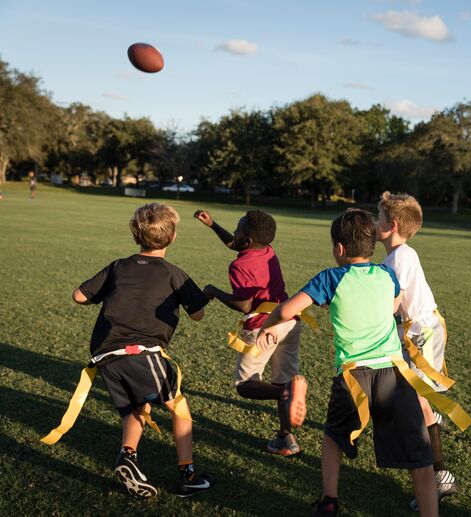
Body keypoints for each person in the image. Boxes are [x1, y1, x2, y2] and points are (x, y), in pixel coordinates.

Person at [257, 209, 438, 517]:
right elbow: (394, 303)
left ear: (339, 249)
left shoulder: (330, 278)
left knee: (333, 437)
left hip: (355, 377)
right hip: (396, 373)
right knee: (420, 460)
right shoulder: (387, 274)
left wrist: (269, 325)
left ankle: (329, 501)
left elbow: (288, 310)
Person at [71, 203, 213, 499]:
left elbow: (79, 295)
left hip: (105, 355)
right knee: (179, 406)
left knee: (137, 408)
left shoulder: (118, 266)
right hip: (141, 352)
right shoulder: (174, 273)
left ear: (135, 236)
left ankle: (128, 457)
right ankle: (188, 475)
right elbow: (198, 314)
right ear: (173, 237)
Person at [194, 209, 307, 456]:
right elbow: (237, 244)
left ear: (247, 240)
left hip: (262, 329)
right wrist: (212, 225)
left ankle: (285, 392)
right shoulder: (267, 251)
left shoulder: (239, 265)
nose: (234, 233)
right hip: (288, 321)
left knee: (246, 385)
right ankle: (286, 438)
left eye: (238, 229)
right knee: (283, 379)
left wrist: (213, 290)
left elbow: (244, 305)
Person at [376, 191, 458, 511]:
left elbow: (392, 304)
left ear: (392, 224)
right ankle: (431, 419)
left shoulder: (400, 258)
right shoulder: (397, 255)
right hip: (416, 329)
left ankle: (441, 475)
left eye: (378, 217)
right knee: (414, 398)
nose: (374, 222)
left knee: (416, 400)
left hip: (419, 333)